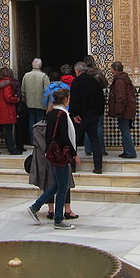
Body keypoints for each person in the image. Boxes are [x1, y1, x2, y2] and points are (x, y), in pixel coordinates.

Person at [27, 89, 82, 230]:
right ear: (65, 100)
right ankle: (58, 219)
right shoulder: (61, 115)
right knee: (63, 186)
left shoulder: (51, 113)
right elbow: (64, 136)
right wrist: (74, 154)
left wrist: (47, 152)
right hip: (60, 154)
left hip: (52, 153)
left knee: (57, 185)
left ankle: (35, 207)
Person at [69, 61, 105, 174]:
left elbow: (74, 99)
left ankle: (72, 166)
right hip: (93, 116)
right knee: (95, 141)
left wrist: (74, 114)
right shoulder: (94, 82)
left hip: (80, 117)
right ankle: (98, 166)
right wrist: (98, 113)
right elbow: (101, 100)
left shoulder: (76, 82)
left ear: (78, 71)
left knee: (74, 140)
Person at [107, 61, 137, 158]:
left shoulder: (120, 81)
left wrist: (118, 111)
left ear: (115, 69)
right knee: (125, 130)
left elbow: (121, 97)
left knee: (125, 131)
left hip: (124, 111)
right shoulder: (124, 79)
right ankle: (127, 150)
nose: (110, 70)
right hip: (127, 109)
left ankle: (130, 151)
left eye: (111, 68)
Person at [0, 67, 20, 155]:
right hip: (6, 109)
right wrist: (17, 99)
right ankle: (12, 149)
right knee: (8, 130)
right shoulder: (7, 83)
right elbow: (8, 97)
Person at [83, 55, 108, 156]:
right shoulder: (98, 73)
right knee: (99, 126)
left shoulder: (82, 74)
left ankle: (88, 149)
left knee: (86, 125)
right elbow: (105, 84)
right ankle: (100, 149)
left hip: (85, 103)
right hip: (97, 102)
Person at [22, 58, 50, 135]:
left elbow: (23, 90)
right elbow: (47, 91)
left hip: (29, 103)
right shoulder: (44, 76)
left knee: (31, 121)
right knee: (40, 122)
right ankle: (39, 140)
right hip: (41, 103)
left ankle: (32, 140)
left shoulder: (26, 76)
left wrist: (25, 101)